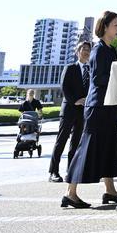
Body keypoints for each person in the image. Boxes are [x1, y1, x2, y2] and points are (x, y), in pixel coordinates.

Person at [63, 12, 117, 209]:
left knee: (108, 147)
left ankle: (110, 189)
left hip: (108, 105)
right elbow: (98, 80)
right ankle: (70, 193)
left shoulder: (110, 50)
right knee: (86, 149)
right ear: (104, 27)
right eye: (115, 24)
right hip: (97, 107)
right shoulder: (98, 51)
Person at [48, 40, 91, 182]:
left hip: (82, 112)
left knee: (76, 142)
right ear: (77, 52)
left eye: (88, 49)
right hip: (69, 110)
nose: (86, 51)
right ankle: (53, 172)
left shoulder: (90, 70)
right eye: (83, 49)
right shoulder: (70, 67)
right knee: (61, 141)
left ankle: (71, 172)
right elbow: (64, 87)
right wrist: (75, 101)